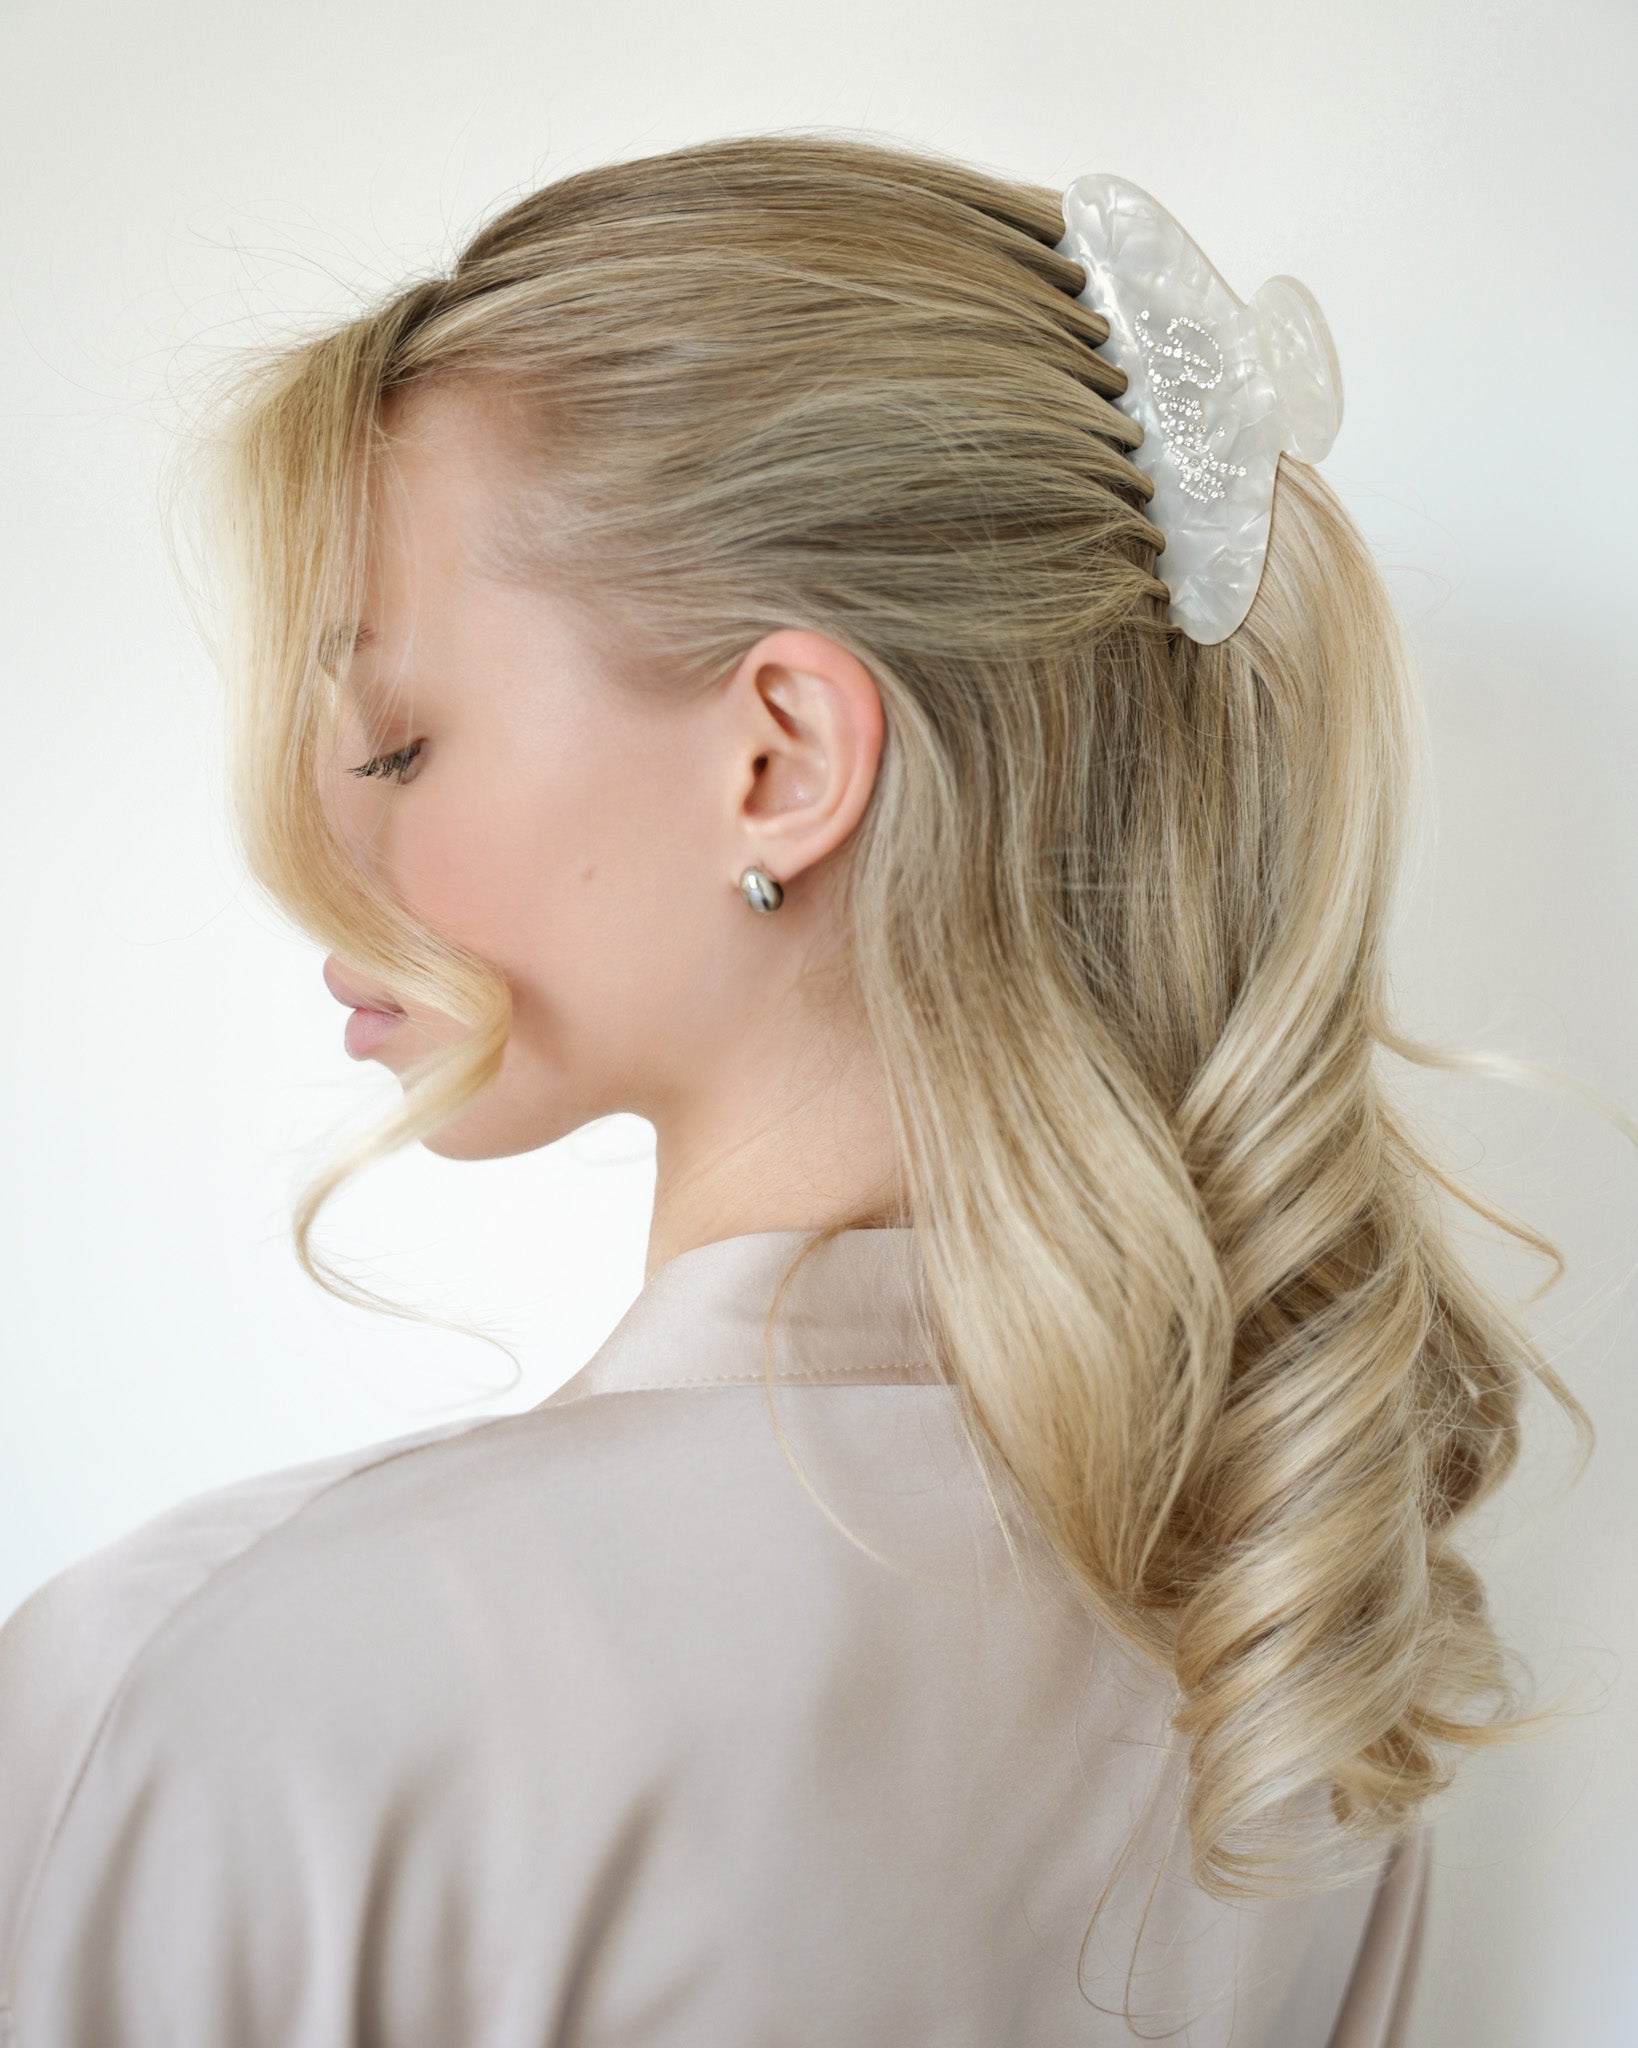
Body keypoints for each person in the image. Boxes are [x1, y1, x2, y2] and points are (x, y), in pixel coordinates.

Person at [0, 131, 1592, 2046]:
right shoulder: (1287, 1656)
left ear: (779, 765)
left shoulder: (236, 1676)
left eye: (402, 740)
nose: (323, 840)